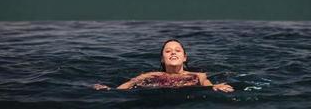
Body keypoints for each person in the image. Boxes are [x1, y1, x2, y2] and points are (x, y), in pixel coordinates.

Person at [94, 39, 234, 92]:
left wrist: (215, 87)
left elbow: (206, 84)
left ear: (184, 57)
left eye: (177, 50)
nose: (173, 53)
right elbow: (130, 84)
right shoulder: (150, 75)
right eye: (168, 51)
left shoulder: (198, 75)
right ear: (162, 59)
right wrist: (111, 90)